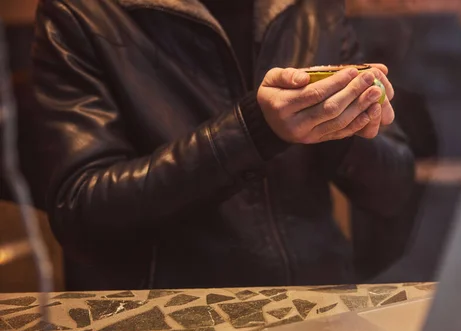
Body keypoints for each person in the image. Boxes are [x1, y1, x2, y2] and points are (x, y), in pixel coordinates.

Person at [30, 0, 414, 290]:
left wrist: (343, 119)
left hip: (319, 303)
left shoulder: (309, 8)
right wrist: (253, 130)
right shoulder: (81, 12)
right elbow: (80, 209)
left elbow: (394, 190)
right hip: (171, 322)